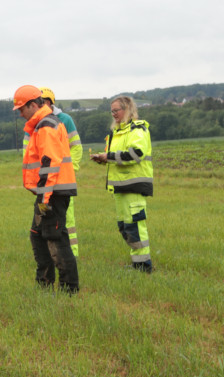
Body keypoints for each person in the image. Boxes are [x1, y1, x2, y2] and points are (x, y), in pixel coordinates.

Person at [14, 85, 79, 293]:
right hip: (49, 191)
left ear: (33, 105)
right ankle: (44, 282)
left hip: (53, 192)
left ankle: (69, 289)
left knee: (55, 238)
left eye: (22, 109)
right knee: (37, 234)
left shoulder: (46, 126)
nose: (21, 114)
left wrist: (44, 197)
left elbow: (50, 163)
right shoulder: (41, 124)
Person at [90, 96, 154, 272]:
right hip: (120, 187)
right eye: (112, 111)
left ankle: (144, 266)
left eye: (116, 110)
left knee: (135, 226)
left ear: (127, 109)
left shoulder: (137, 129)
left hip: (134, 186)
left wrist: (108, 157)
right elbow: (119, 157)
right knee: (125, 227)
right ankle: (137, 263)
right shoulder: (117, 132)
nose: (114, 114)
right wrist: (104, 159)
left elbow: (135, 154)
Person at [40, 87, 82, 257]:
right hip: (44, 179)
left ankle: (72, 255)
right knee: (44, 215)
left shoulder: (65, 119)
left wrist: (69, 171)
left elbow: (76, 148)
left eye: (40, 102)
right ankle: (52, 253)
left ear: (49, 103)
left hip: (63, 180)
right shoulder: (35, 122)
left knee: (67, 219)